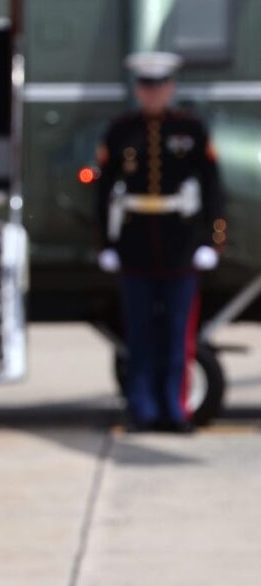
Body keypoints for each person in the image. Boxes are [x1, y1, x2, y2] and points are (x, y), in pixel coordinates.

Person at [96, 51, 226, 434]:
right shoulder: (121, 130)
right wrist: (106, 243)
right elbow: (103, 190)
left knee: (177, 336)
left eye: (160, 85)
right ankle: (143, 410)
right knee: (139, 335)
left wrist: (213, 241)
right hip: (135, 244)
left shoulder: (191, 129)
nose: (153, 92)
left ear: (170, 87)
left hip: (180, 245)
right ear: (138, 89)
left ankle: (175, 410)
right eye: (146, 85)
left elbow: (213, 189)